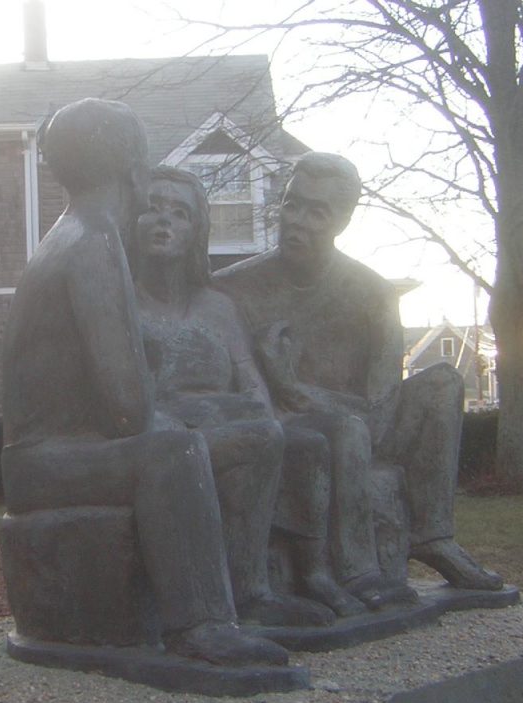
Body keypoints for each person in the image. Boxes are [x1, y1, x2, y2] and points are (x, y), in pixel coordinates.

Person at [0, 99, 289, 667]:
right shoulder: (92, 244)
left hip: (65, 450)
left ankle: (243, 592)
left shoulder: (79, 234)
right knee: (172, 451)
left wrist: (214, 413)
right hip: (46, 465)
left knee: (254, 433)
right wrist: (193, 421)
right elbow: (130, 413)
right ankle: (200, 625)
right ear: (133, 169)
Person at [214, 152, 503, 592]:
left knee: (442, 382)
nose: (298, 221)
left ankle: (434, 537)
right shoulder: (233, 287)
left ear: (343, 221)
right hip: (285, 427)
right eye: (293, 204)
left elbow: (380, 416)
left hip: (360, 426)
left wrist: (292, 385)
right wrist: (286, 395)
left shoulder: (373, 293)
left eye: (318, 211)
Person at [132, 165, 363, 620]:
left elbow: (252, 386)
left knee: (311, 443)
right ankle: (246, 592)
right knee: (261, 439)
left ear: (197, 229)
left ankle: (314, 573)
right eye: (152, 209)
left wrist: (261, 408)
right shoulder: (121, 303)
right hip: (170, 438)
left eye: (180, 213)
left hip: (235, 420)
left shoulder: (217, 307)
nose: (164, 221)